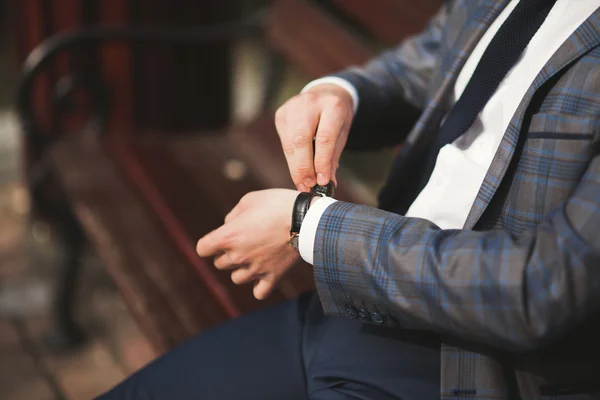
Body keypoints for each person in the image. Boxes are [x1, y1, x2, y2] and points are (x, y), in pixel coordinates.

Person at [98, 0, 600, 399]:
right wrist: (338, 95)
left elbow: (542, 287)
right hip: (355, 309)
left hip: (470, 371)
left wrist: (309, 227)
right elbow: (427, 61)